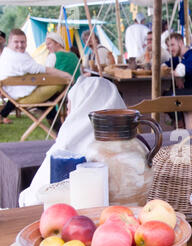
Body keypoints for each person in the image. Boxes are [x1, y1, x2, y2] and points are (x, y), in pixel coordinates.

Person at [18, 76, 127, 207]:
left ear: (81, 107)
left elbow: (35, 199)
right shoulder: (134, 146)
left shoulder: (67, 147)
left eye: (70, 106)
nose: (68, 112)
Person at [0, 28, 72, 125]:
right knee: (61, 83)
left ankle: (58, 130)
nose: (20, 45)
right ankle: (59, 128)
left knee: (48, 103)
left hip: (18, 94)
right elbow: (44, 69)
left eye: (23, 42)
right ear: (9, 42)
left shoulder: (7, 53)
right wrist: (67, 76)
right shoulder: (18, 58)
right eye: (16, 42)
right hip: (23, 97)